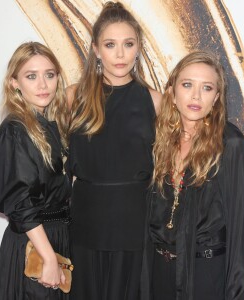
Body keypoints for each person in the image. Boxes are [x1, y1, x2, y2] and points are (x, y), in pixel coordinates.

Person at [141, 50, 244, 300]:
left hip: (204, 276)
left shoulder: (231, 144)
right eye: (187, 85)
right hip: (159, 273)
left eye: (206, 88)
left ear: (216, 97)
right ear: (171, 92)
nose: (195, 96)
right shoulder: (160, 138)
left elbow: (241, 233)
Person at [66, 2, 162, 299]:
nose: (120, 55)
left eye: (128, 44)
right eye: (110, 45)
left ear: (138, 47)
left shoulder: (155, 101)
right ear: (96, 49)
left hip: (134, 226)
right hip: (86, 225)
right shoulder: (73, 97)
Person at [0, 41, 71, 300]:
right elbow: (20, 202)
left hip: (57, 237)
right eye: (31, 76)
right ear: (14, 82)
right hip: (35, 244)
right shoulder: (15, 130)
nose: (43, 85)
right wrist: (48, 257)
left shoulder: (52, 125)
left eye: (49, 74)